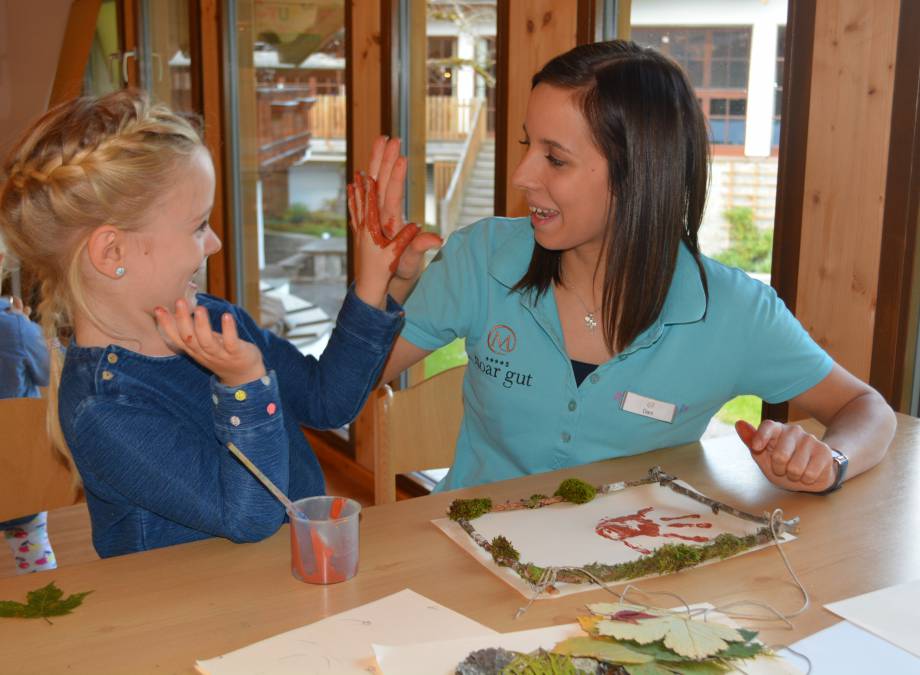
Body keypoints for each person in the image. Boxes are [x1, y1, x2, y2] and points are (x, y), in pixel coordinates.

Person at [355, 40, 896, 493]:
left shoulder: (732, 311)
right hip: (468, 558)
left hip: (628, 582)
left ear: (639, 174)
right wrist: (387, 284)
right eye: (527, 145)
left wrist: (831, 461)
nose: (522, 176)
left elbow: (866, 407)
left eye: (555, 158)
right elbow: (351, 385)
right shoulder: (483, 258)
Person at [0, 90, 423, 558]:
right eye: (198, 225)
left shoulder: (216, 319)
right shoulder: (103, 408)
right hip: (191, 619)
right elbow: (249, 516)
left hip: (283, 581)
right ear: (112, 252)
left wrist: (375, 284)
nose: (216, 243)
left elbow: (326, 399)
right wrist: (243, 384)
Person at [0, 242, 55, 573]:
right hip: (14, 468)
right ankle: (45, 599)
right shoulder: (13, 329)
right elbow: (48, 370)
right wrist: (27, 327)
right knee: (31, 545)